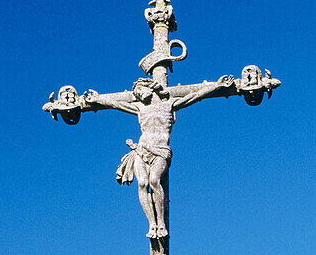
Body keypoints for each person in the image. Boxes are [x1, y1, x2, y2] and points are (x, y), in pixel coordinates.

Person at [82, 75, 234, 241]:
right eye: (136, 93)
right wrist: (97, 99)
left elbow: (195, 95)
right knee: (142, 184)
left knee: (154, 181)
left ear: (151, 87)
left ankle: (161, 222)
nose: (138, 95)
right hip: (142, 149)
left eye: (140, 90)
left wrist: (218, 86)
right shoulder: (140, 109)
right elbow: (116, 104)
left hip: (160, 150)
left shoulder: (169, 105)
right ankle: (152, 224)